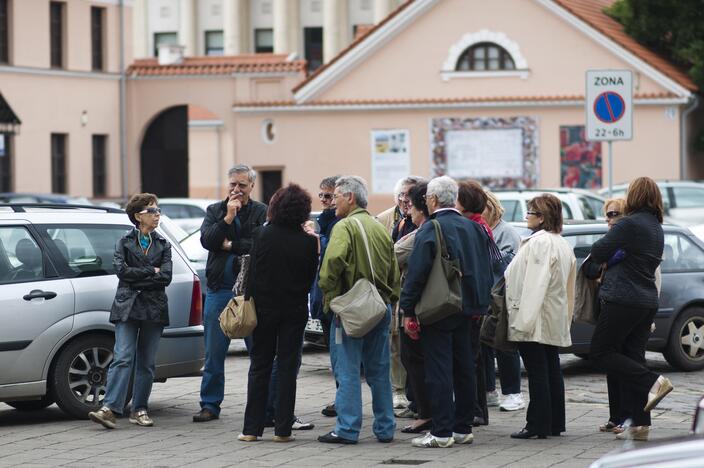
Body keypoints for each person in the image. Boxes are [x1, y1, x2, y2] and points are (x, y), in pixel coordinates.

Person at [400, 176, 493, 448]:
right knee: (465, 367)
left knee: (438, 369)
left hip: (438, 308)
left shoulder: (431, 228)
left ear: (432, 199)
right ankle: (462, 427)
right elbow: (485, 268)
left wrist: (408, 309)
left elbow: (417, 273)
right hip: (468, 308)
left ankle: (441, 431)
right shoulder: (473, 227)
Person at [317, 176, 401, 444]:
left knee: (348, 370)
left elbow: (330, 269)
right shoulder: (379, 226)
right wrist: (387, 299)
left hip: (352, 311)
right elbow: (394, 272)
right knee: (379, 372)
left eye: (337, 197)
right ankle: (386, 428)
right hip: (379, 307)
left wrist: (331, 301)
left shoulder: (344, 227)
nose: (333, 204)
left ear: (350, 197)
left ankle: (347, 429)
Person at [589, 177, 671, 442]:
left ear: (633, 197)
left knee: (601, 352)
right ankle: (640, 424)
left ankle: (653, 382)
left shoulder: (629, 224)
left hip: (622, 299)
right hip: (646, 301)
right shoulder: (656, 227)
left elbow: (598, 249)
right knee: (634, 357)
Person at [239, 184, 319, 442]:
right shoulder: (309, 242)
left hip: (263, 309)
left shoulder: (261, 235)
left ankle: (251, 429)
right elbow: (309, 279)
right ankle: (283, 430)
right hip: (294, 310)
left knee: (259, 366)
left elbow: (253, 275)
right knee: (287, 368)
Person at [89, 193, 172, 429]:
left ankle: (140, 409)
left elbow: (166, 276)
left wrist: (144, 274)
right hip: (127, 306)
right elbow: (122, 273)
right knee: (123, 356)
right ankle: (110, 408)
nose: (157, 215)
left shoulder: (163, 244)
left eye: (158, 210)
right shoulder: (124, 242)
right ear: (138, 216)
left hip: (154, 308)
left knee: (146, 362)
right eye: (152, 211)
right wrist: (151, 272)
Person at [194, 165, 267, 423]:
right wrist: (227, 218)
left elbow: (260, 244)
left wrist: (231, 245)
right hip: (218, 290)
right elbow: (207, 240)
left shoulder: (261, 212)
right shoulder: (215, 210)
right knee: (214, 353)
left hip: (250, 292)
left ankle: (262, 405)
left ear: (251, 187)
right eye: (233, 184)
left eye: (242, 185)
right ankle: (210, 405)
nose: (236, 190)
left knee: (258, 352)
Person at [504, 193, 576, 439]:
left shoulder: (540, 243)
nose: (526, 217)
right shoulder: (560, 242)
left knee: (538, 371)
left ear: (541, 217)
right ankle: (555, 422)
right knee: (550, 369)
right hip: (551, 315)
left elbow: (535, 283)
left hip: (536, 316)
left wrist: (523, 322)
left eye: (530, 212)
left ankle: (537, 424)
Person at [379, 175, 425, 411]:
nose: (406, 200)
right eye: (402, 195)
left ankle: (415, 396)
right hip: (393, 289)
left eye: (411, 195)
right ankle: (398, 390)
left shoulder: (421, 224)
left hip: (411, 289)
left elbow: (394, 254)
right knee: (395, 344)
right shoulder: (385, 219)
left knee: (411, 346)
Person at [482, 191, 526, 412]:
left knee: (505, 346)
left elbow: (507, 265)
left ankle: (513, 393)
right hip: (484, 296)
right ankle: (489, 390)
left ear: (492, 208)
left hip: (503, 297)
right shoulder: (482, 228)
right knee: (484, 346)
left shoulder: (506, 231)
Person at [394, 182, 432, 434]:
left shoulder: (422, 233)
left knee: (416, 359)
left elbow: (393, 255)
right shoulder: (413, 228)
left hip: (420, 308)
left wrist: (407, 310)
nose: (409, 210)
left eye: (413, 205)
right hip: (428, 307)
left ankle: (425, 412)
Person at [456, 180, 492, 426]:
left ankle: (475, 410)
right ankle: (478, 410)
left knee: (470, 359)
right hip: (478, 301)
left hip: (472, 303)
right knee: (474, 359)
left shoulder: (473, 227)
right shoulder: (480, 225)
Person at [310, 176, 342, 418]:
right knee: (334, 353)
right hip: (322, 297)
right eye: (321, 195)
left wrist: (315, 238)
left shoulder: (338, 221)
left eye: (329, 196)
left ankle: (343, 400)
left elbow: (331, 252)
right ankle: (341, 398)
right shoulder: (325, 219)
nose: (324, 200)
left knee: (341, 353)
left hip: (336, 300)